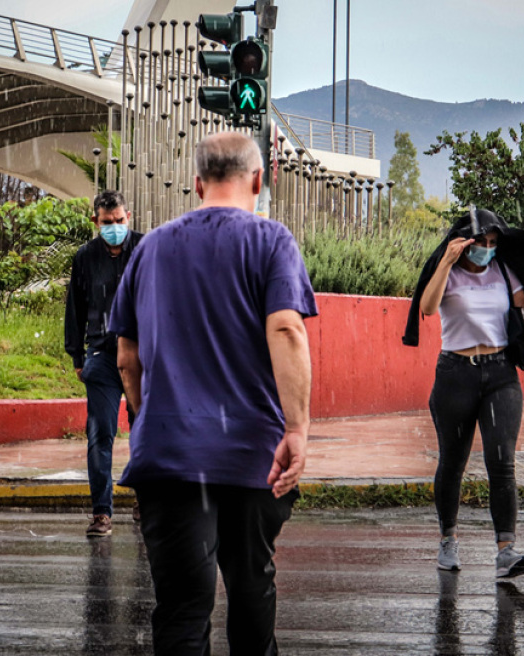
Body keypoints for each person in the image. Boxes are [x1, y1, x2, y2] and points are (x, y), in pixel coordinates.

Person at [109, 132, 316, 655]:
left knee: (181, 610)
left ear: (197, 184)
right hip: (253, 457)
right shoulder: (272, 242)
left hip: (171, 457)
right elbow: (287, 331)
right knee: (251, 596)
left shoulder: (151, 247)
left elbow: (125, 358)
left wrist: (148, 416)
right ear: (259, 179)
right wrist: (296, 429)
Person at [411, 208, 524, 578]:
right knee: (453, 462)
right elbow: (428, 307)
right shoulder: (451, 273)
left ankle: (506, 551)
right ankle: (448, 540)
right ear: (466, 243)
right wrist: (446, 261)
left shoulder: (504, 273)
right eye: (481, 243)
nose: (487, 250)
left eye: (493, 244)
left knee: (502, 462)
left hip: (499, 375)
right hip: (455, 374)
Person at [64, 190, 143, 538]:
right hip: (101, 355)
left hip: (143, 355)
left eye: (119, 221)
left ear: (129, 216)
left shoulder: (146, 250)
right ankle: (102, 513)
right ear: (95, 221)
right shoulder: (85, 257)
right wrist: (77, 355)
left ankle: (147, 502)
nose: (114, 227)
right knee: (99, 435)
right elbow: (75, 307)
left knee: (145, 430)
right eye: (106, 223)